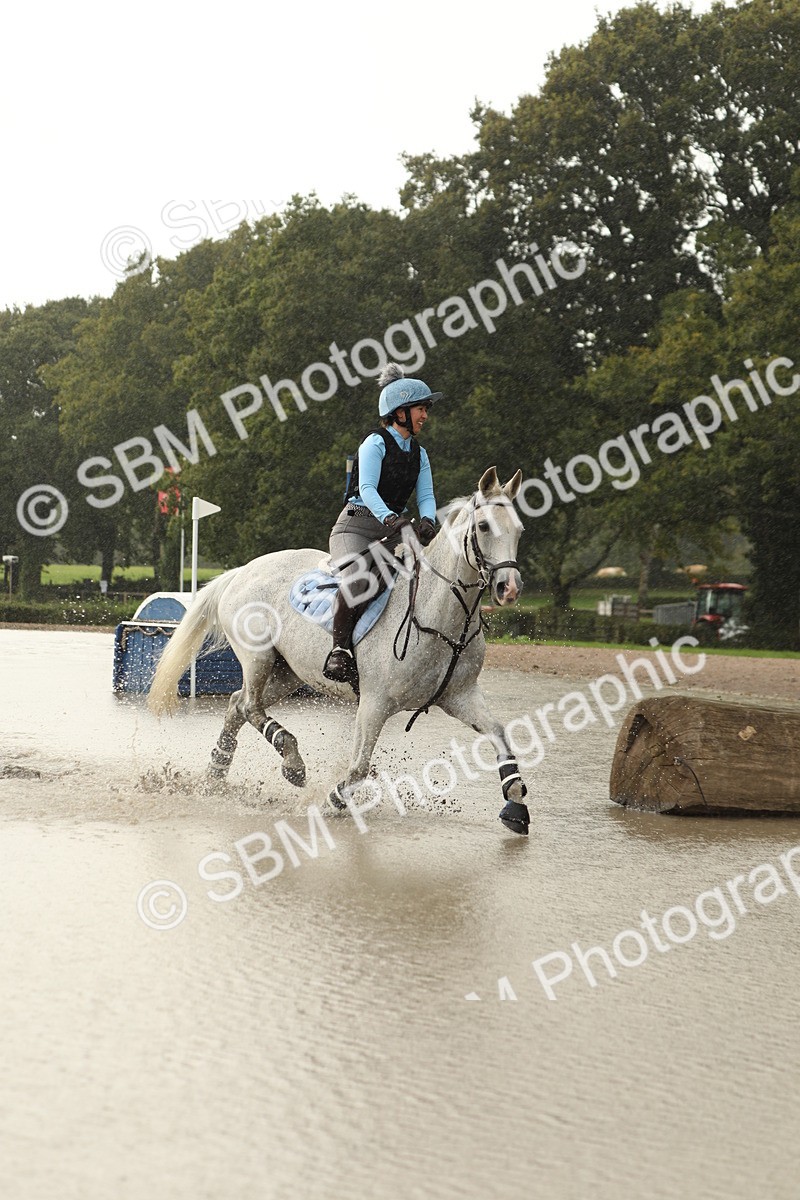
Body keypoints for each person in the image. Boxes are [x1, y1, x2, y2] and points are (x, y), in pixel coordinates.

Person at [322, 362, 441, 686]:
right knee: (358, 580)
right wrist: (390, 517)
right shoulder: (373, 444)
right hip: (356, 527)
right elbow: (367, 490)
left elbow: (426, 494)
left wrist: (429, 519)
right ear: (400, 411)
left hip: (394, 531)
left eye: (425, 409)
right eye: (420, 409)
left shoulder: (420, 453)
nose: (425, 416)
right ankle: (339, 652)